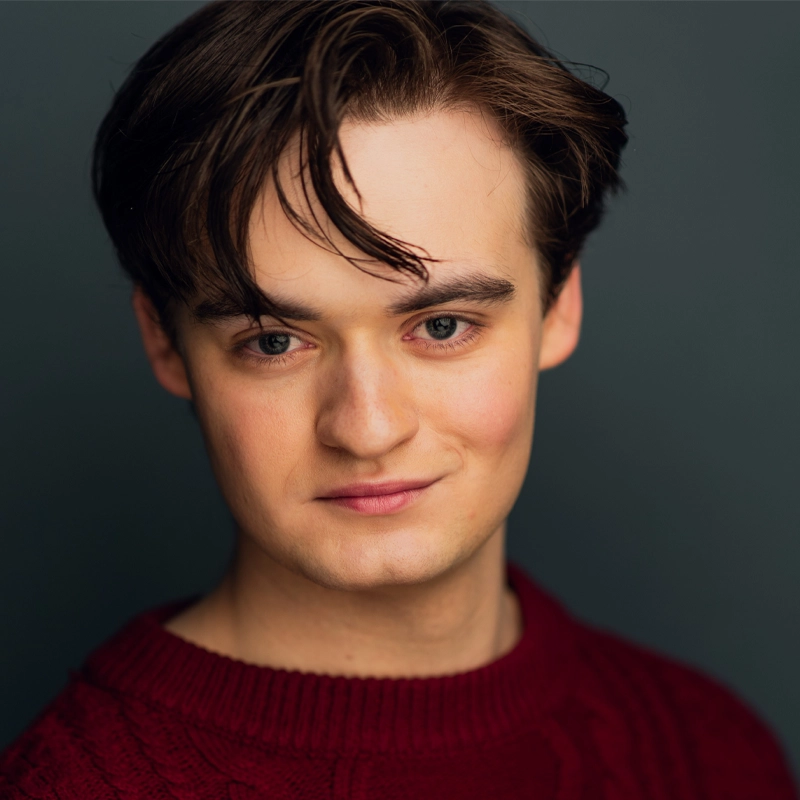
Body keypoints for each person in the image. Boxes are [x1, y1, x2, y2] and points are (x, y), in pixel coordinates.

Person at [1, 0, 796, 797]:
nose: (368, 427)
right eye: (275, 341)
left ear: (559, 307)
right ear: (165, 343)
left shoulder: (711, 752)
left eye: (443, 325)